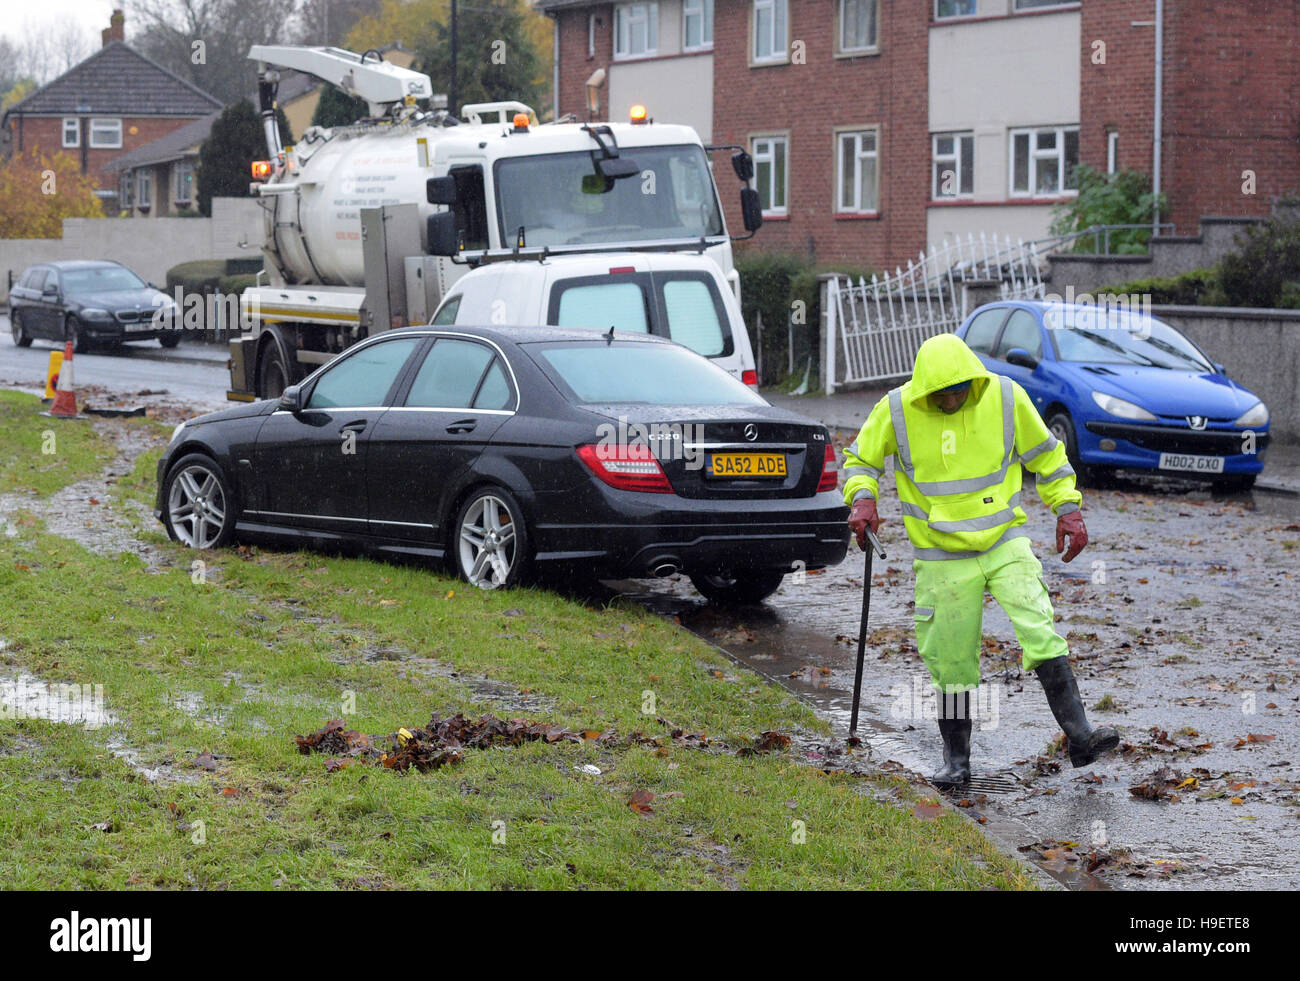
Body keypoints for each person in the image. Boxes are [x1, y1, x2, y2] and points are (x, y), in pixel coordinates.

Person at [843, 333, 1118, 785]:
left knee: (1038, 625)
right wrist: (863, 498)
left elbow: (1047, 456)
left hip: (1003, 540)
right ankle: (957, 763)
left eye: (958, 390)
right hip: (940, 555)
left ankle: (1081, 736)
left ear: (974, 380)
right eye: (940, 393)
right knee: (951, 661)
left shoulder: (1006, 397)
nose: (950, 399)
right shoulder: (896, 408)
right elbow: (860, 461)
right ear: (923, 390)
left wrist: (1068, 509)